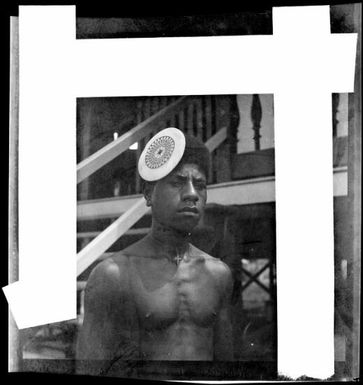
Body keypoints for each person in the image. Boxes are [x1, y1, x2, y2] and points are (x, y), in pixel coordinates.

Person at [76, 127, 233, 376]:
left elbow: (227, 369)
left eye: (200, 185)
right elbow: (91, 370)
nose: (192, 194)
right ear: (149, 194)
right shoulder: (113, 275)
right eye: (178, 183)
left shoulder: (218, 274)